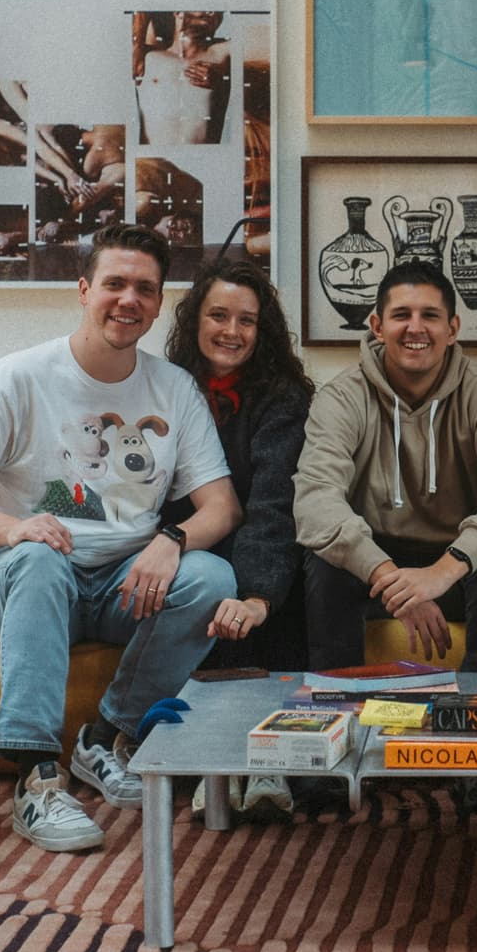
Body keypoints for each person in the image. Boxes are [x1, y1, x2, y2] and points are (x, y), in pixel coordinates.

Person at [0, 225, 241, 852]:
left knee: (212, 578)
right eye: (114, 284)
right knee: (39, 560)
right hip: (19, 579)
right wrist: (15, 528)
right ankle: (37, 779)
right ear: (84, 289)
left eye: (145, 288)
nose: (129, 300)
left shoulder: (172, 388)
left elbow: (220, 508)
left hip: (121, 584)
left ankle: (106, 737)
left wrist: (171, 539)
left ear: (159, 301)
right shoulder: (16, 378)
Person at [293, 259, 477, 674]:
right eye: (401, 315)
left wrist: (442, 573)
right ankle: (336, 708)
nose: (415, 328)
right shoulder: (341, 398)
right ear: (377, 325)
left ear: (453, 328)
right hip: (374, 559)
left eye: (430, 316)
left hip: (458, 560)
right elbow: (315, 500)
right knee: (323, 565)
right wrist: (395, 581)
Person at [164, 258, 315, 819]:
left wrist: (256, 594)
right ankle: (220, 759)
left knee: (253, 586)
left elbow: (277, 503)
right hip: (186, 547)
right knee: (207, 580)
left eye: (247, 321)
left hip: (268, 545)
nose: (231, 331)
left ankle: (268, 756)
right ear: (195, 320)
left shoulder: (284, 398)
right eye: (219, 316)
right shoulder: (164, 387)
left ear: (263, 330)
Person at [132, 11, 232, 146]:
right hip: (156, 156)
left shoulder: (222, 54)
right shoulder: (147, 57)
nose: (210, 14)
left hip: (204, 159)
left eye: (216, 13)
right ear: (177, 13)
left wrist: (224, 78)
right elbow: (141, 6)